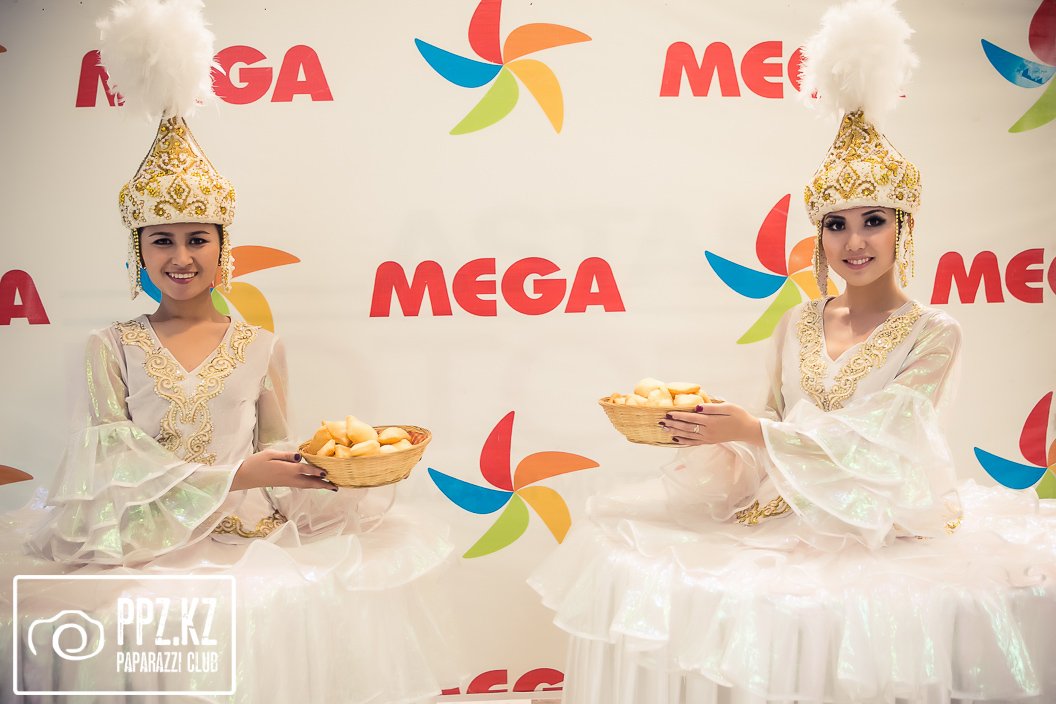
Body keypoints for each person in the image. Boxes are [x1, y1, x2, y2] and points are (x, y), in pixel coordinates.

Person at [529, 2, 1056, 702]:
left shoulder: (935, 333)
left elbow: (886, 444)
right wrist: (718, 434)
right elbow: (771, 428)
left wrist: (755, 431)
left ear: (903, 227)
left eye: (874, 220)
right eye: (836, 225)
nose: (854, 242)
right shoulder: (797, 322)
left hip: (878, 537)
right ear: (818, 236)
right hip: (779, 524)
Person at [0, 1, 461, 701]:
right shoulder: (109, 347)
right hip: (143, 553)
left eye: (198, 239)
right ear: (139, 252)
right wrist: (235, 473)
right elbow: (110, 473)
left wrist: (325, 468)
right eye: (162, 240)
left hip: (245, 542)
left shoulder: (261, 345)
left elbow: (275, 450)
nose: (181, 257)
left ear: (223, 248)